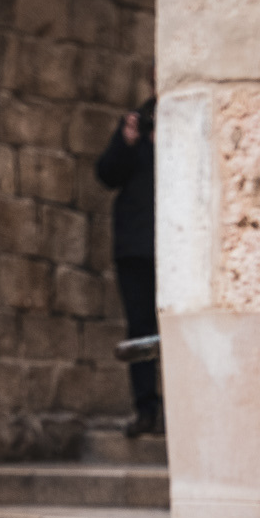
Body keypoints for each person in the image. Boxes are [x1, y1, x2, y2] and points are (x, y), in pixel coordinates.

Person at [96, 93, 161, 438]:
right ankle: (146, 408)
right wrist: (127, 142)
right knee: (140, 329)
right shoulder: (137, 122)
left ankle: (180, 410)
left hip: (174, 246)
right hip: (136, 248)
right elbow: (107, 174)